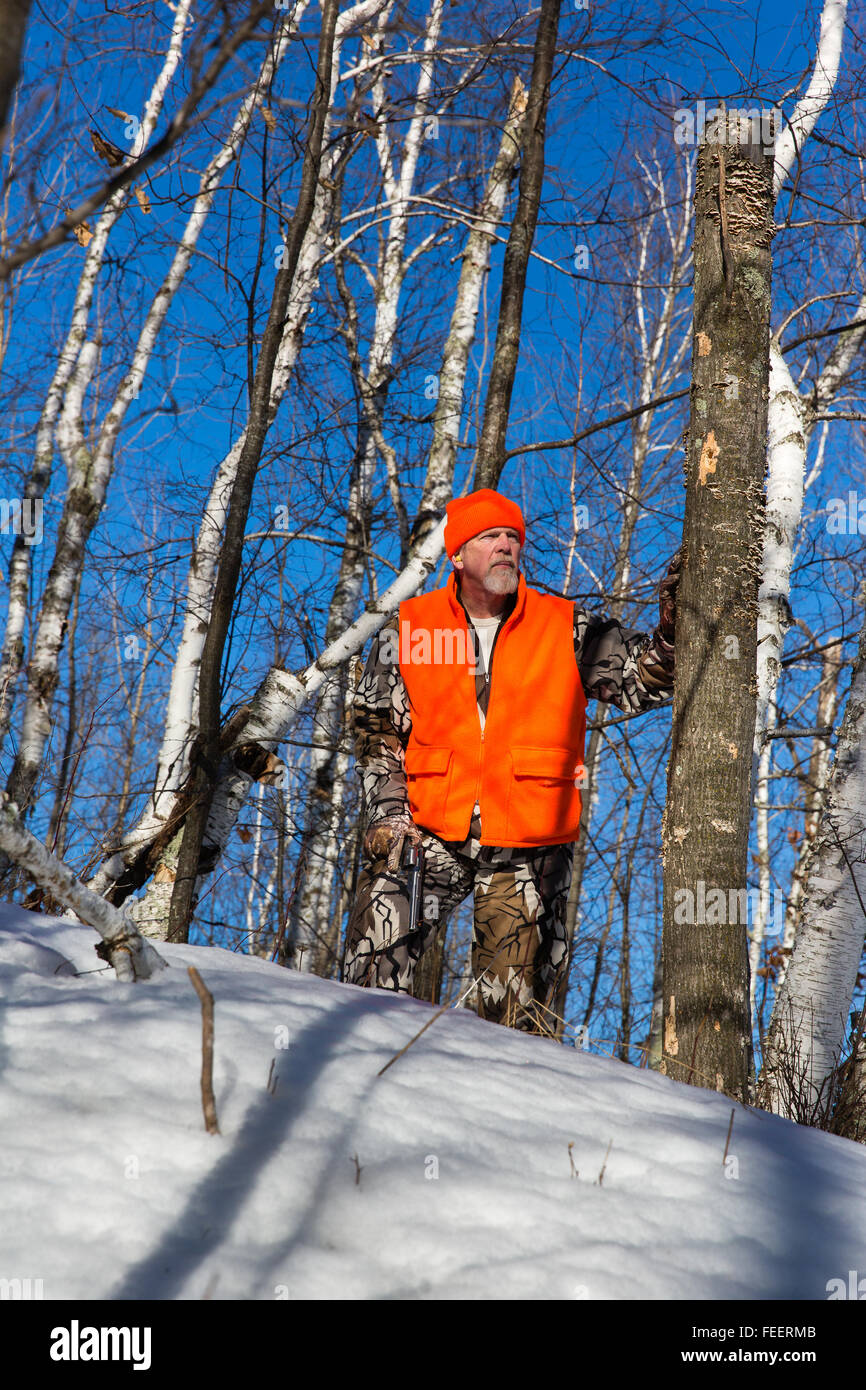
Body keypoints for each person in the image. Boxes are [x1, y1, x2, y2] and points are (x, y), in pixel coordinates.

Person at [342, 488, 680, 1033]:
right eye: (490, 536)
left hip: (529, 847)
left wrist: (670, 632)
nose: (506, 546)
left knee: (513, 1025)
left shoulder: (567, 627)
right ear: (456, 554)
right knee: (366, 987)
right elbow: (376, 729)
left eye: (512, 537)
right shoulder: (410, 628)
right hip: (426, 832)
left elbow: (641, 681)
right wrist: (388, 811)